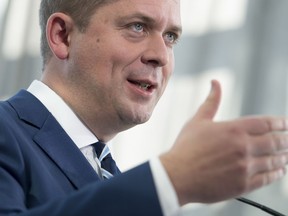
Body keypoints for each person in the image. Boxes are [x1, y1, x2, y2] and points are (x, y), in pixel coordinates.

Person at [0, 0, 288, 215]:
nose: (161, 56)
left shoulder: (112, 178)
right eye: (137, 27)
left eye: (170, 37)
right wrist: (172, 180)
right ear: (63, 36)